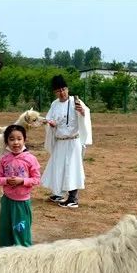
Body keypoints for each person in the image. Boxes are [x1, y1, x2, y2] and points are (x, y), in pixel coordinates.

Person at [41, 74, 92, 209]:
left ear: (67, 89)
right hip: (60, 141)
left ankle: (73, 198)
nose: (62, 93)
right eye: (58, 90)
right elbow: (50, 119)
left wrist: (82, 112)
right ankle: (58, 193)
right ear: (55, 92)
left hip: (72, 141)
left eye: (63, 89)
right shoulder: (54, 104)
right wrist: (50, 124)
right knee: (58, 167)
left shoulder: (76, 101)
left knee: (72, 168)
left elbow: (85, 115)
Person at [0, 125, 41, 247]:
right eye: (11, 139)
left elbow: (36, 179)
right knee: (5, 230)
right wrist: (6, 180)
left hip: (22, 203)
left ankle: (23, 255)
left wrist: (22, 181)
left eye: (19, 139)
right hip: (7, 201)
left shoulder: (30, 159)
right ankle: (4, 253)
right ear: (6, 142)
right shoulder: (4, 159)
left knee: (21, 230)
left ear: (24, 140)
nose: (16, 142)